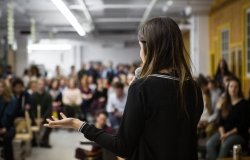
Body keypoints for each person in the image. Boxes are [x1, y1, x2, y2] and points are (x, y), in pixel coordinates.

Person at [44, 17, 203, 160]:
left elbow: (123, 147)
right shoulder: (194, 88)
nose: (140, 53)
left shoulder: (142, 88)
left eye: (140, 47)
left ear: (150, 49)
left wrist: (78, 124)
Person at [206, 77, 249, 159]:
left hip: (239, 134)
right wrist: (222, 134)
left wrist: (226, 135)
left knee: (225, 144)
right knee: (209, 144)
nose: (233, 89)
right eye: (231, 86)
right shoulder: (225, 103)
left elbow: (243, 125)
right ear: (227, 88)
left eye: (236, 87)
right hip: (224, 132)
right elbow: (220, 122)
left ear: (239, 89)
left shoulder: (244, 104)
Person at [31, 79, 53, 148]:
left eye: (43, 84)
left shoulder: (48, 96)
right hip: (34, 117)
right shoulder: (32, 96)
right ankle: (33, 140)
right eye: (40, 84)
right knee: (28, 121)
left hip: (44, 116)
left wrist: (42, 118)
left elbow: (49, 109)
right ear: (37, 85)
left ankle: (44, 141)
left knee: (51, 122)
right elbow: (31, 109)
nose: (41, 86)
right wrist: (35, 118)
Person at [0, 80, 17, 160]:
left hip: (8, 127)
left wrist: (4, 128)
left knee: (7, 138)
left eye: (1, 87)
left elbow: (8, 117)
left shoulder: (11, 100)